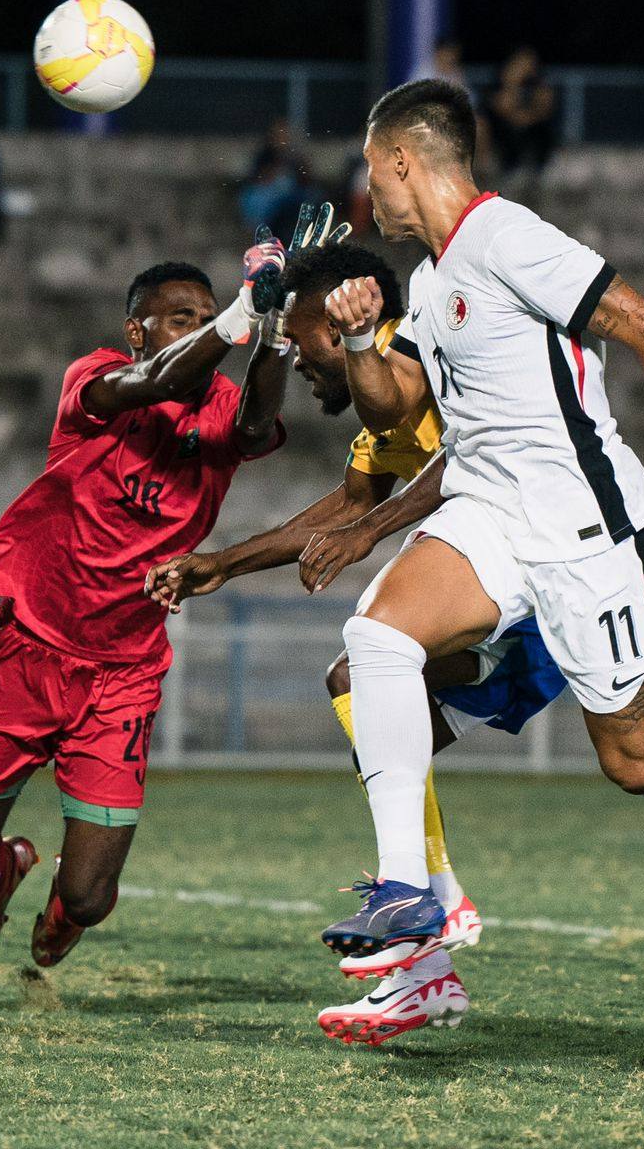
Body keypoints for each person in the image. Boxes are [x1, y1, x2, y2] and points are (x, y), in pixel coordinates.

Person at [310, 79, 644, 1004]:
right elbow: (397, 404)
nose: (369, 191)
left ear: (404, 160)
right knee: (374, 641)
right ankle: (409, 889)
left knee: (635, 765)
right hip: (487, 515)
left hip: (587, 534)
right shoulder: (430, 276)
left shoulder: (506, 238)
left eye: (373, 171)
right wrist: (365, 338)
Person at [145, 221, 571, 1044]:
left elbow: (465, 463)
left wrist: (370, 534)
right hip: (502, 581)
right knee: (370, 681)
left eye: (303, 340)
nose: (298, 360)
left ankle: (435, 897)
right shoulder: (383, 407)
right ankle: (428, 940)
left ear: (341, 323)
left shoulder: (431, 353)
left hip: (547, 565)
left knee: (372, 670)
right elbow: (347, 502)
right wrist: (221, 564)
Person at [0, 251, 291, 967]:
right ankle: (1, 871)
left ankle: (66, 906)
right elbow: (156, 379)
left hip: (123, 673)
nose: (200, 330)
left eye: (207, 315)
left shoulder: (218, 404)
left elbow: (254, 429)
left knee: (94, 898)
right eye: (180, 319)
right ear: (137, 331)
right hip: (29, 648)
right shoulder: (97, 378)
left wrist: (276, 329)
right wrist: (238, 316)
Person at [484, 47, 557, 181]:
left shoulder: (537, 83)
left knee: (543, 133)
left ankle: (538, 170)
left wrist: (528, 117)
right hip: (504, 128)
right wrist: (512, 83)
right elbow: (502, 108)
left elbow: (546, 108)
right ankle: (509, 170)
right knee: (507, 134)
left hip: (531, 125)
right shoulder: (499, 82)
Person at [238, 118, 317, 242]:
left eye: (285, 134)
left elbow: (305, 179)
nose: (283, 138)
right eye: (280, 134)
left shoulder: (293, 155)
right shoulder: (265, 154)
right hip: (268, 195)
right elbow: (258, 178)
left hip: (289, 196)